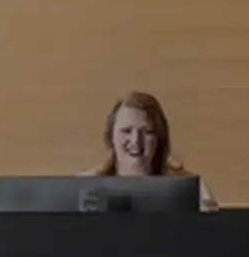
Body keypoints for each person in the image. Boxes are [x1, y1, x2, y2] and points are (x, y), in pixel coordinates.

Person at [82, 89, 215, 209]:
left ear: (159, 138)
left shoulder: (194, 190)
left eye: (147, 132)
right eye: (126, 131)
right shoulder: (84, 186)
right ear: (111, 136)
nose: (135, 141)